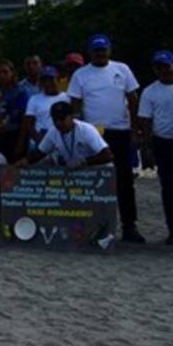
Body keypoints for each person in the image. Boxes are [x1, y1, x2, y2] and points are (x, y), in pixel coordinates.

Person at [67, 34, 143, 243]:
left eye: (103, 50)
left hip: (121, 129)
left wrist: (135, 129)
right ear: (90, 52)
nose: (100, 54)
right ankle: (94, 224)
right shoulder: (81, 75)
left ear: (109, 50)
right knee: (94, 179)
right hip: (94, 131)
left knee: (125, 180)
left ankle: (129, 225)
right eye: (96, 50)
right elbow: (75, 106)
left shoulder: (122, 69)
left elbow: (133, 99)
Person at [137, 50, 173, 245]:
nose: (163, 71)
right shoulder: (150, 91)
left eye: (166, 66)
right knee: (168, 188)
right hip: (163, 141)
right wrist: (147, 147)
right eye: (159, 67)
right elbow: (145, 120)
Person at [23, 101, 114, 170]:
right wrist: (25, 161)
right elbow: (40, 153)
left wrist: (84, 161)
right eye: (55, 119)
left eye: (62, 119)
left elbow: (107, 156)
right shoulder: (53, 132)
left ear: (71, 117)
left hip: (100, 171)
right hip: (80, 173)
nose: (58, 123)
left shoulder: (86, 130)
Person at [17, 67, 69, 159]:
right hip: (38, 143)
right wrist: (43, 142)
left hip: (62, 144)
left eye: (51, 79)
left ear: (58, 79)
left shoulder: (67, 98)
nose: (48, 83)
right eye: (44, 80)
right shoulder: (34, 99)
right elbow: (29, 124)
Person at [0, 59, 30, 160]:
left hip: (16, 135)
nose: (2, 75)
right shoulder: (0, 93)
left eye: (5, 72)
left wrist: (20, 143)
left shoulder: (20, 92)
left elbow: (24, 119)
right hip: (1, 136)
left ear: (12, 73)